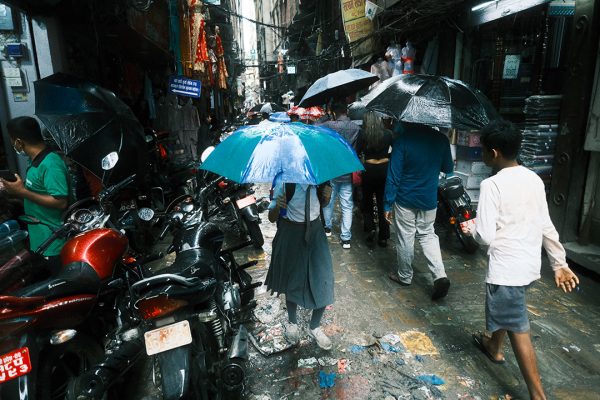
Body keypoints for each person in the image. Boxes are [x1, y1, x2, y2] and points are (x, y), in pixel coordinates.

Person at [462, 120, 578, 400]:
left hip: (506, 270)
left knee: (518, 326)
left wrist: (472, 229)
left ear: (494, 152)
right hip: (528, 266)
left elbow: (486, 235)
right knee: (510, 313)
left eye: (483, 152)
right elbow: (545, 224)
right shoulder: (533, 179)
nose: (483, 157)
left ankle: (538, 395)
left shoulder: (491, 185)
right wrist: (558, 263)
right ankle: (493, 346)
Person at [383, 122, 452, 300]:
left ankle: (404, 276)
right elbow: (448, 168)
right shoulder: (441, 140)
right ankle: (440, 275)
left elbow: (394, 176)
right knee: (428, 235)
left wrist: (387, 204)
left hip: (405, 198)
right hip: (429, 198)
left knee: (405, 235)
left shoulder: (403, 141)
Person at [266, 182, 334, 350]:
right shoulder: (285, 183)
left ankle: (315, 326)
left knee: (324, 278)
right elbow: (271, 217)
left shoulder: (321, 180)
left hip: (316, 232)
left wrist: (327, 197)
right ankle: (292, 323)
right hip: (291, 232)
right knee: (292, 280)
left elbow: (322, 204)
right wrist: (278, 207)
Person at [0, 117, 69, 273]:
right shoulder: (36, 161)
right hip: (41, 239)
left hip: (54, 242)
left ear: (18, 142)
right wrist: (12, 189)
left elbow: (60, 202)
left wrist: (22, 192)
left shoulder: (50, 163)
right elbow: (38, 191)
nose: (13, 145)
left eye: (12, 141)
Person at [320, 102, 361, 249]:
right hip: (348, 172)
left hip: (332, 170)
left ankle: (328, 228)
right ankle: (346, 239)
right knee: (347, 205)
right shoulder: (356, 128)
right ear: (346, 111)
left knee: (328, 201)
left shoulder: (329, 125)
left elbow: (316, 129)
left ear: (334, 112)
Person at [356, 111, 394, 248]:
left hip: (369, 169)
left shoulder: (363, 134)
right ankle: (383, 236)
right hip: (384, 169)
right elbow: (395, 150)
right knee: (382, 202)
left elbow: (357, 151)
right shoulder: (388, 134)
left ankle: (371, 228)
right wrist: (388, 158)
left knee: (367, 201)